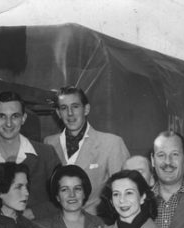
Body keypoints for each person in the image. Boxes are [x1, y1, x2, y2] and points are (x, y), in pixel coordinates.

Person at [44, 86, 130, 216]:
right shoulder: (48, 143)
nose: (70, 113)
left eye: (75, 106)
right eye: (64, 108)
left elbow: (126, 194)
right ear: (58, 113)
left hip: (98, 227)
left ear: (86, 109)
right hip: (58, 227)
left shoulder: (112, 144)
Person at [0, 91, 61, 220]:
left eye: (15, 116)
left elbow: (63, 196)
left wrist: (31, 213)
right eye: (1, 116)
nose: (8, 123)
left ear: (24, 118)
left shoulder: (46, 154)